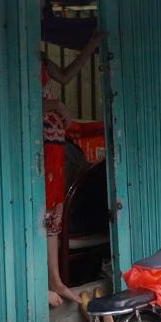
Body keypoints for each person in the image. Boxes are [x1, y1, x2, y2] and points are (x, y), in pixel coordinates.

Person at [41, 30, 106, 307]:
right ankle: (44, 282)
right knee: (43, 211)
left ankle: (56, 280)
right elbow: (22, 99)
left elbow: (66, 76)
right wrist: (56, 105)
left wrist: (91, 45)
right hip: (41, 144)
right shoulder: (18, 56)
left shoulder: (40, 57)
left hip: (55, 143)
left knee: (55, 210)